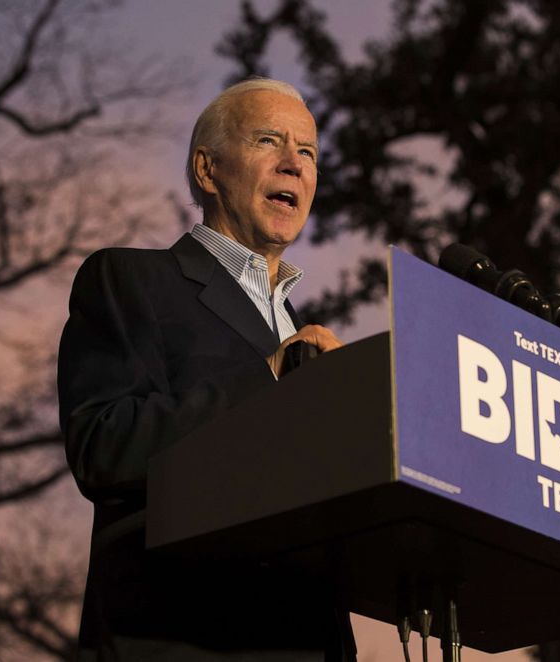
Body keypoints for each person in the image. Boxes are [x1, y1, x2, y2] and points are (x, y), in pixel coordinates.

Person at [57, 78, 353, 661]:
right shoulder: (130, 281)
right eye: (270, 141)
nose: (294, 164)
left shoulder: (306, 340)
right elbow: (103, 445)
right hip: (181, 640)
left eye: (309, 153)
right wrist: (265, 381)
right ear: (207, 169)